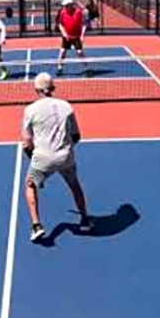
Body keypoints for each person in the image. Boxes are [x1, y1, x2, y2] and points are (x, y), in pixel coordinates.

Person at [22, 72, 92, 242]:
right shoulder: (67, 106)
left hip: (42, 159)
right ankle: (85, 219)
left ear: (36, 90)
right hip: (65, 156)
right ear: (52, 88)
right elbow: (76, 136)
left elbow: (27, 143)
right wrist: (62, 150)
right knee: (74, 185)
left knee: (30, 185)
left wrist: (35, 160)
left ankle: (37, 226)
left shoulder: (30, 110)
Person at [57, 0, 89, 77]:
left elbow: (84, 24)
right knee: (62, 52)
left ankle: (86, 68)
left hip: (77, 36)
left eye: (66, 6)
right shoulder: (62, 13)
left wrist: (82, 35)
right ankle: (60, 67)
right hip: (67, 37)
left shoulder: (78, 12)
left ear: (71, 6)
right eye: (64, 6)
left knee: (79, 52)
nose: (64, 7)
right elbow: (60, 24)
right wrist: (64, 33)